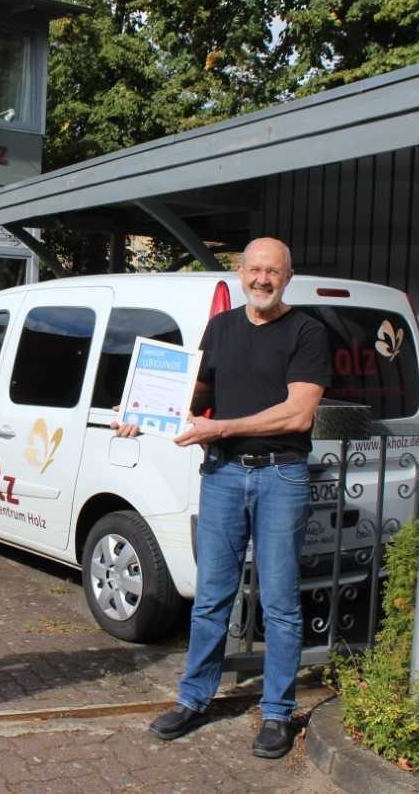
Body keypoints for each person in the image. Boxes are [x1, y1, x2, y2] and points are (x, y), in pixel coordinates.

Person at [114, 237, 330, 759]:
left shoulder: (307, 333)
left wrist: (222, 428)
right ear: (240, 271)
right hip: (225, 474)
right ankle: (194, 698)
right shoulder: (222, 327)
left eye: (272, 272)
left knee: (279, 604)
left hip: (281, 476)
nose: (262, 279)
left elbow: (298, 413)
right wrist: (144, 413)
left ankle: (276, 712)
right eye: (254, 269)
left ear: (288, 275)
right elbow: (201, 390)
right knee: (211, 596)